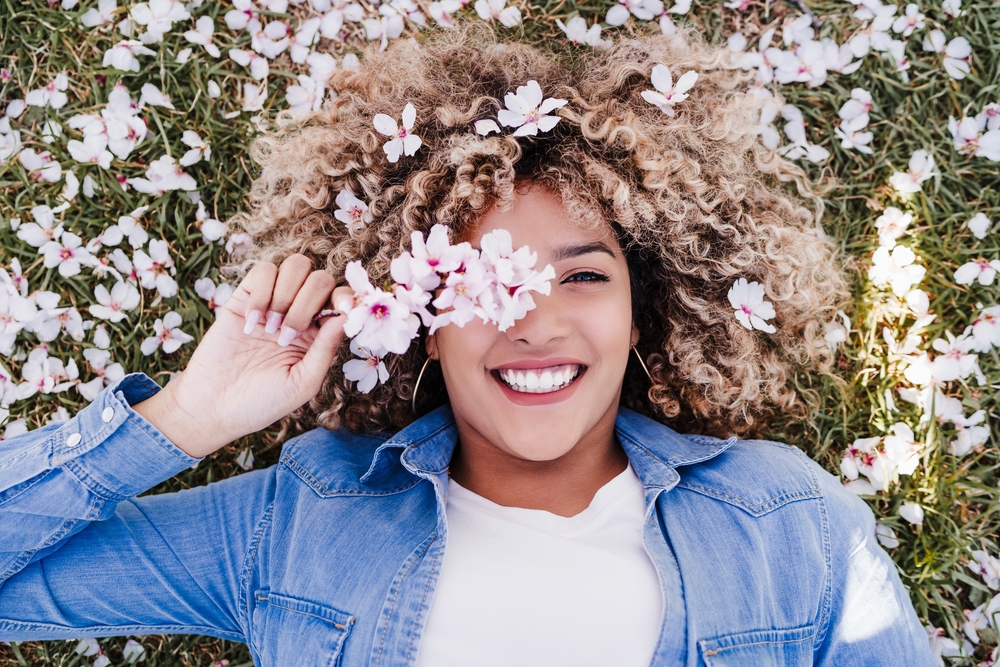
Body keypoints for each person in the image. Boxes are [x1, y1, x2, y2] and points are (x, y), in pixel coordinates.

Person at [0, 23, 937, 667]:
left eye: (582, 275)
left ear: (647, 310)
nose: (532, 319)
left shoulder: (793, 525)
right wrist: (184, 419)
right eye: (479, 280)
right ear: (415, 322)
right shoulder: (298, 521)